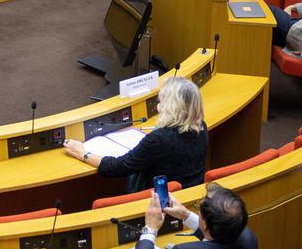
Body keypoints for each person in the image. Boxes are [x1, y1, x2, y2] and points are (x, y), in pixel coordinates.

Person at [63, 76, 206, 191]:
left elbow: (118, 167)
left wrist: (83, 153)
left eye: (161, 100)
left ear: (170, 107)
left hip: (163, 205)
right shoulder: (201, 127)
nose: (158, 104)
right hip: (191, 194)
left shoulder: (159, 139)